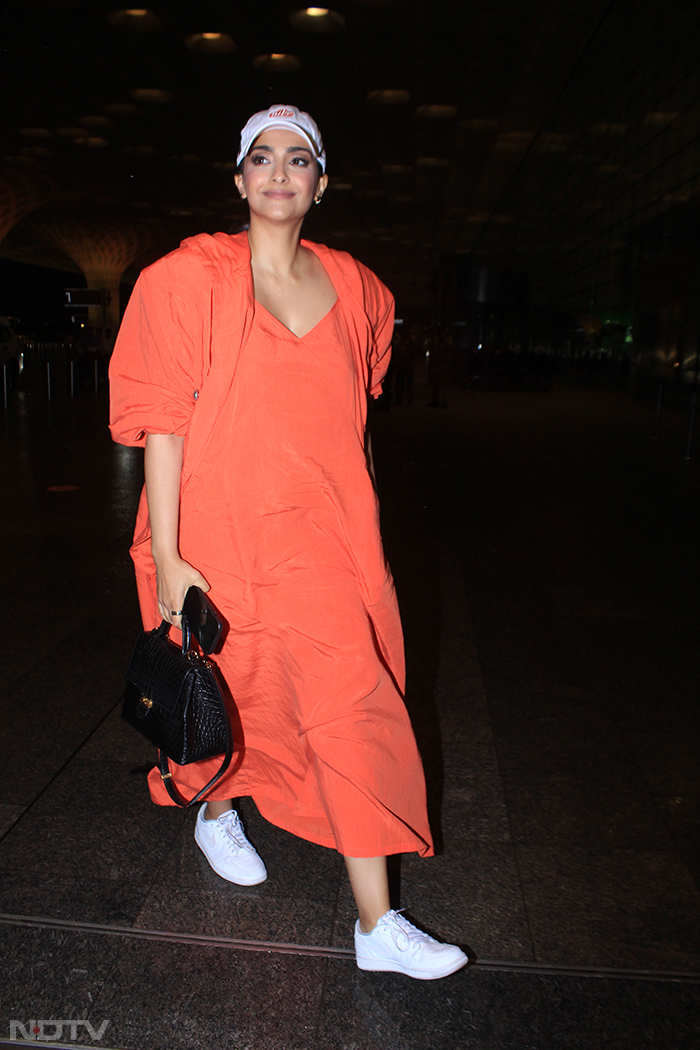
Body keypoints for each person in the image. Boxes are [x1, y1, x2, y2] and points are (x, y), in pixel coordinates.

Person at [109, 104, 467, 980]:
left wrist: (367, 523)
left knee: (354, 707)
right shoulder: (187, 278)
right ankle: (216, 808)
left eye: (298, 158)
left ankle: (376, 926)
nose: (278, 171)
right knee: (235, 694)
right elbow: (161, 427)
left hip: (326, 546)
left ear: (320, 183)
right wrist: (169, 558)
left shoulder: (361, 290)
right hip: (217, 536)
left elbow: (359, 418)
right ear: (238, 180)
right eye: (260, 158)